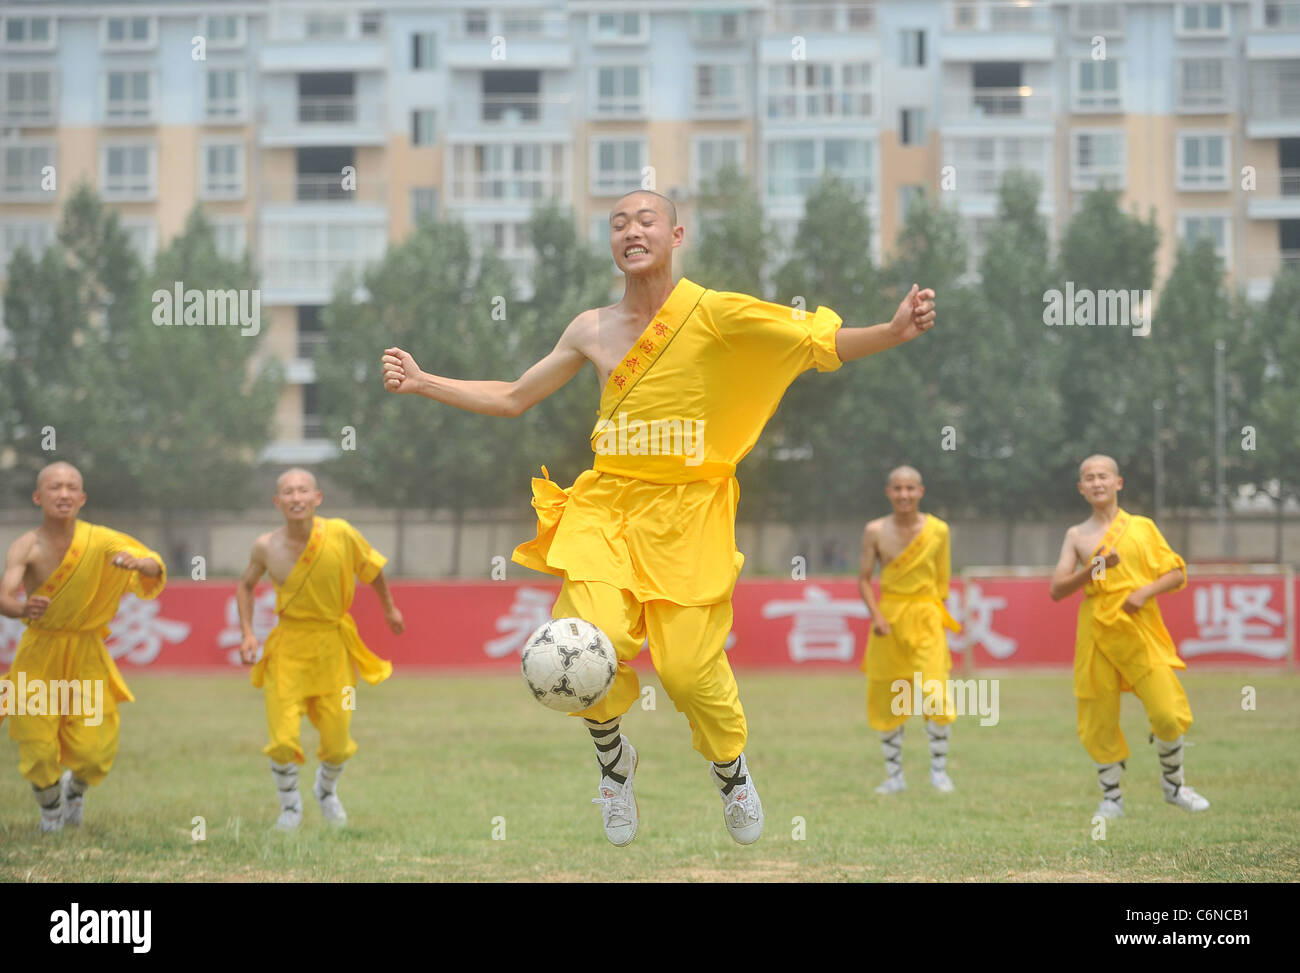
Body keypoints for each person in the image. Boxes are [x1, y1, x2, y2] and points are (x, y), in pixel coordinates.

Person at [381, 189, 936, 846]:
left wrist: (892, 332)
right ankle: (614, 764)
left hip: (689, 514)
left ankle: (730, 771)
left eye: (645, 220)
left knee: (687, 673)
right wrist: (424, 381)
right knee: (587, 642)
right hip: (606, 507)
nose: (631, 231)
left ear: (676, 235)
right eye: (618, 223)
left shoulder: (714, 311)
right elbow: (512, 397)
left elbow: (814, 340)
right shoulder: (589, 328)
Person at [0, 461, 166, 833]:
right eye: (55, 487)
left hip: (85, 655)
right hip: (39, 655)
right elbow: (4, 596)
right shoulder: (26, 545)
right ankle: (50, 814)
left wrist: (139, 563)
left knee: (93, 752)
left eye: (71, 487)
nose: (63, 494)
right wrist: (23, 608)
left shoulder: (101, 540)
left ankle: (74, 791)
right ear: (38, 497)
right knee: (38, 746)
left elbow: (153, 564)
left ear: (82, 497)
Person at [236, 468, 404, 830]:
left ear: (317, 498)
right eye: (288, 492)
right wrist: (248, 633)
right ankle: (290, 808)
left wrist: (389, 609)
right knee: (282, 739)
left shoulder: (341, 534)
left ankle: (326, 792)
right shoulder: (265, 546)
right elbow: (246, 585)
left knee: (339, 741)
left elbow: (373, 570)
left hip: (334, 651)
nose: (296, 497)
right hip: (287, 651)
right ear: (277, 501)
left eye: (303, 490)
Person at [1049, 454, 1210, 818]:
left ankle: (1174, 786)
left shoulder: (1142, 527)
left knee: (1168, 711)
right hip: (1096, 629)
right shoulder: (1077, 535)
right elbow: (1057, 589)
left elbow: (1176, 573)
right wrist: (1096, 568)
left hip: (1138, 624)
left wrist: (1144, 592)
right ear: (1081, 488)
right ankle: (1111, 798)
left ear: (1118, 482)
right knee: (1098, 714)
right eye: (1089, 478)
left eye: (1103, 476)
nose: (1097, 483)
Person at [858, 466, 960, 795]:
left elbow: (942, 582)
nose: (904, 495)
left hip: (927, 618)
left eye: (910, 488)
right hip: (888, 620)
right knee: (888, 697)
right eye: (898, 488)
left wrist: (932, 617)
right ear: (889, 492)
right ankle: (894, 777)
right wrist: (877, 616)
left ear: (921, 491)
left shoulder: (938, 530)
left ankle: (939, 772)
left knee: (935, 693)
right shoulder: (874, 530)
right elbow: (864, 579)